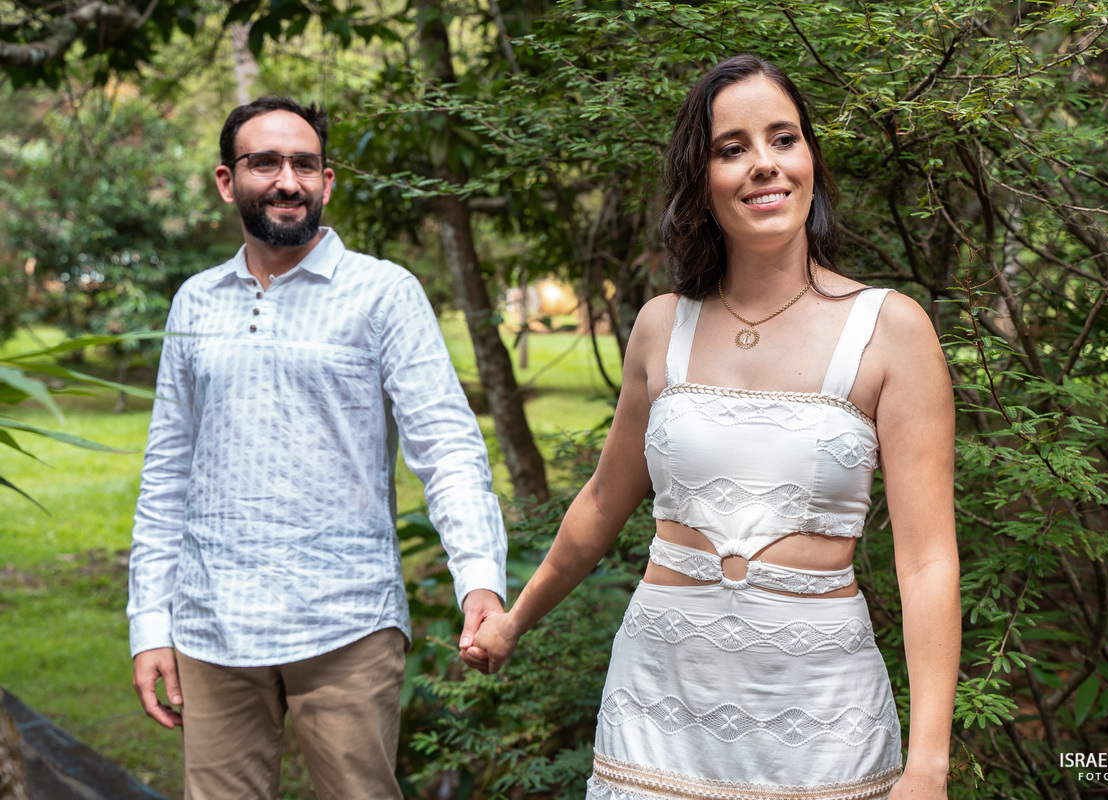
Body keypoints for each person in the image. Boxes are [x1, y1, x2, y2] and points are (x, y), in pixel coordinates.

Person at [471, 54, 960, 800]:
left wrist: (928, 765)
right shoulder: (661, 327)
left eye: (784, 139)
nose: (764, 165)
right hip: (656, 713)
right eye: (733, 149)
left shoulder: (890, 331)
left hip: (821, 723)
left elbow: (926, 562)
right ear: (701, 180)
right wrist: (514, 621)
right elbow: (605, 499)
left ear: (811, 160)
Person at [127, 96, 508, 800]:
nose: (287, 180)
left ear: (327, 182)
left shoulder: (384, 293)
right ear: (225, 180)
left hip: (345, 621)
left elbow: (447, 447)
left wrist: (478, 578)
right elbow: (167, 470)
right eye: (264, 162)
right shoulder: (196, 302)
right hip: (211, 625)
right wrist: (150, 622)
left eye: (305, 164)